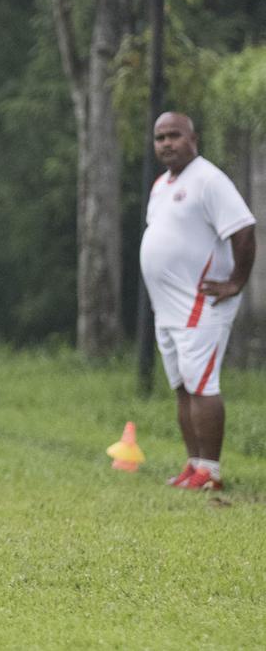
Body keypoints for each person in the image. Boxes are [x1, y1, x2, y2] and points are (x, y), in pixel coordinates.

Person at [140, 111, 255, 491]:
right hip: (168, 309)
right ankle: (193, 464)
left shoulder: (208, 179)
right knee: (183, 386)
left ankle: (211, 470)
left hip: (199, 306)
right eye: (160, 137)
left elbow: (243, 229)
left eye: (174, 135)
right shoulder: (161, 185)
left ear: (194, 138)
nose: (167, 143)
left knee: (202, 385)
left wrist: (236, 281)